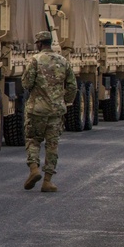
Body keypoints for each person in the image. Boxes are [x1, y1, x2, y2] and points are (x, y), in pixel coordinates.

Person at [22, 30, 77, 192]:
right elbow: (72, 85)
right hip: (56, 111)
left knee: (33, 140)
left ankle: (34, 169)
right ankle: (47, 181)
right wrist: (64, 100)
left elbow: (26, 83)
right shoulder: (63, 61)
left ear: (39, 44)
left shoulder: (35, 60)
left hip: (36, 110)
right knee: (52, 145)